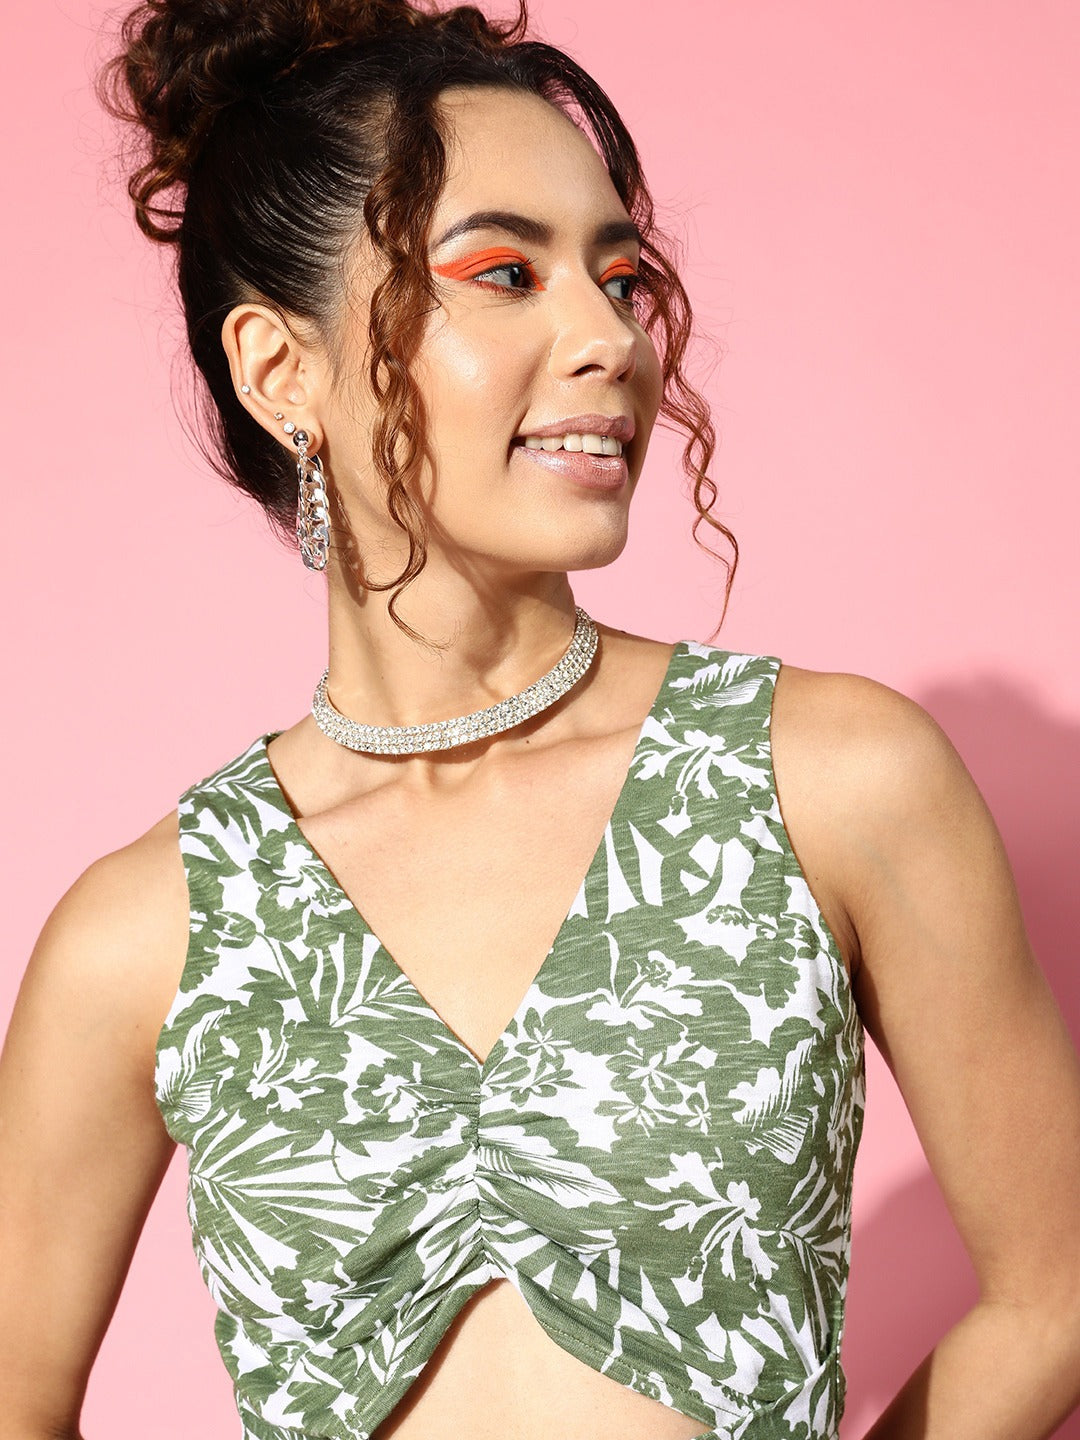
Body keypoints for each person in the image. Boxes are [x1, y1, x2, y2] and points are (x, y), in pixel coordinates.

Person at [2, 1, 1079, 1438]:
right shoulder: (148, 931)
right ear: (279, 371)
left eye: (620, 279)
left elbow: (1057, 1290)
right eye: (505, 274)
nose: (612, 339)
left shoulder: (826, 779)